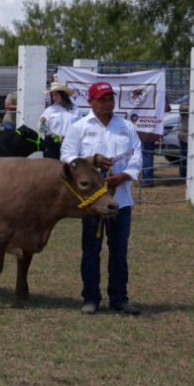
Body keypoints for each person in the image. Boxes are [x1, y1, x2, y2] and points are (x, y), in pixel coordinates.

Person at [61, 81, 143, 316]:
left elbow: (137, 156)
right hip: (93, 204)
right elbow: (66, 158)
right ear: (91, 102)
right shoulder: (79, 127)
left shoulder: (127, 127)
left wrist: (125, 175)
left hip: (121, 200)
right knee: (91, 250)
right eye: (102, 99)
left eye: (110, 99)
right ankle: (91, 298)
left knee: (119, 250)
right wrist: (91, 159)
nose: (108, 103)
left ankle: (119, 298)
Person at [39, 79, 78, 160]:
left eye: (56, 95)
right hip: (52, 144)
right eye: (52, 95)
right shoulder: (49, 110)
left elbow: (80, 128)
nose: (54, 98)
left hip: (69, 143)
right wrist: (42, 121)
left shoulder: (76, 109)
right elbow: (41, 129)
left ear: (63, 94)